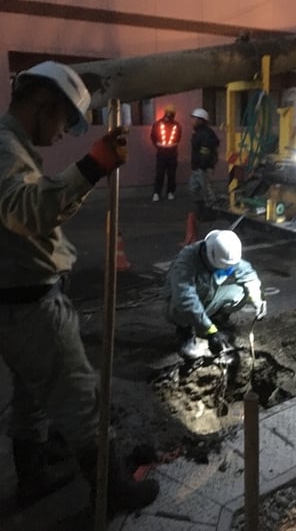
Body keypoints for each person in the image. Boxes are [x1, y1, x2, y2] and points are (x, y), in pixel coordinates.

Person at [0, 61, 159, 512]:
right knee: (82, 399)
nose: (61, 136)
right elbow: (24, 212)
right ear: (42, 105)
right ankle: (112, 491)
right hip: (30, 306)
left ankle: (33, 477)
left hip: (15, 300)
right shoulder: (5, 147)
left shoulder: (11, 145)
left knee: (32, 396)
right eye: (64, 122)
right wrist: (91, 166)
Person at [164, 229, 266, 360]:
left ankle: (216, 321)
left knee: (241, 293)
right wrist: (210, 331)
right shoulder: (186, 263)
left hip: (207, 296)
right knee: (183, 309)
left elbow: (247, 273)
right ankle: (186, 335)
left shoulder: (224, 253)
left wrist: (257, 298)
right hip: (179, 306)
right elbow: (185, 300)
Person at [189, 108, 220, 220]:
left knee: (207, 190)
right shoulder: (198, 132)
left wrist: (203, 165)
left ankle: (211, 212)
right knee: (194, 188)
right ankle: (201, 210)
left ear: (200, 120)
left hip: (203, 167)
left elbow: (205, 150)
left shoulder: (205, 134)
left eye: (194, 118)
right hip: (198, 167)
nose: (192, 120)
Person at [150, 104, 182, 202]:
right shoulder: (159, 124)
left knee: (169, 174)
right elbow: (153, 136)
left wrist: (159, 145)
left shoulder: (175, 125)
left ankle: (166, 192)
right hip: (165, 152)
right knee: (161, 173)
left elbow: (178, 137)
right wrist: (159, 145)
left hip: (169, 152)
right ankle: (159, 193)